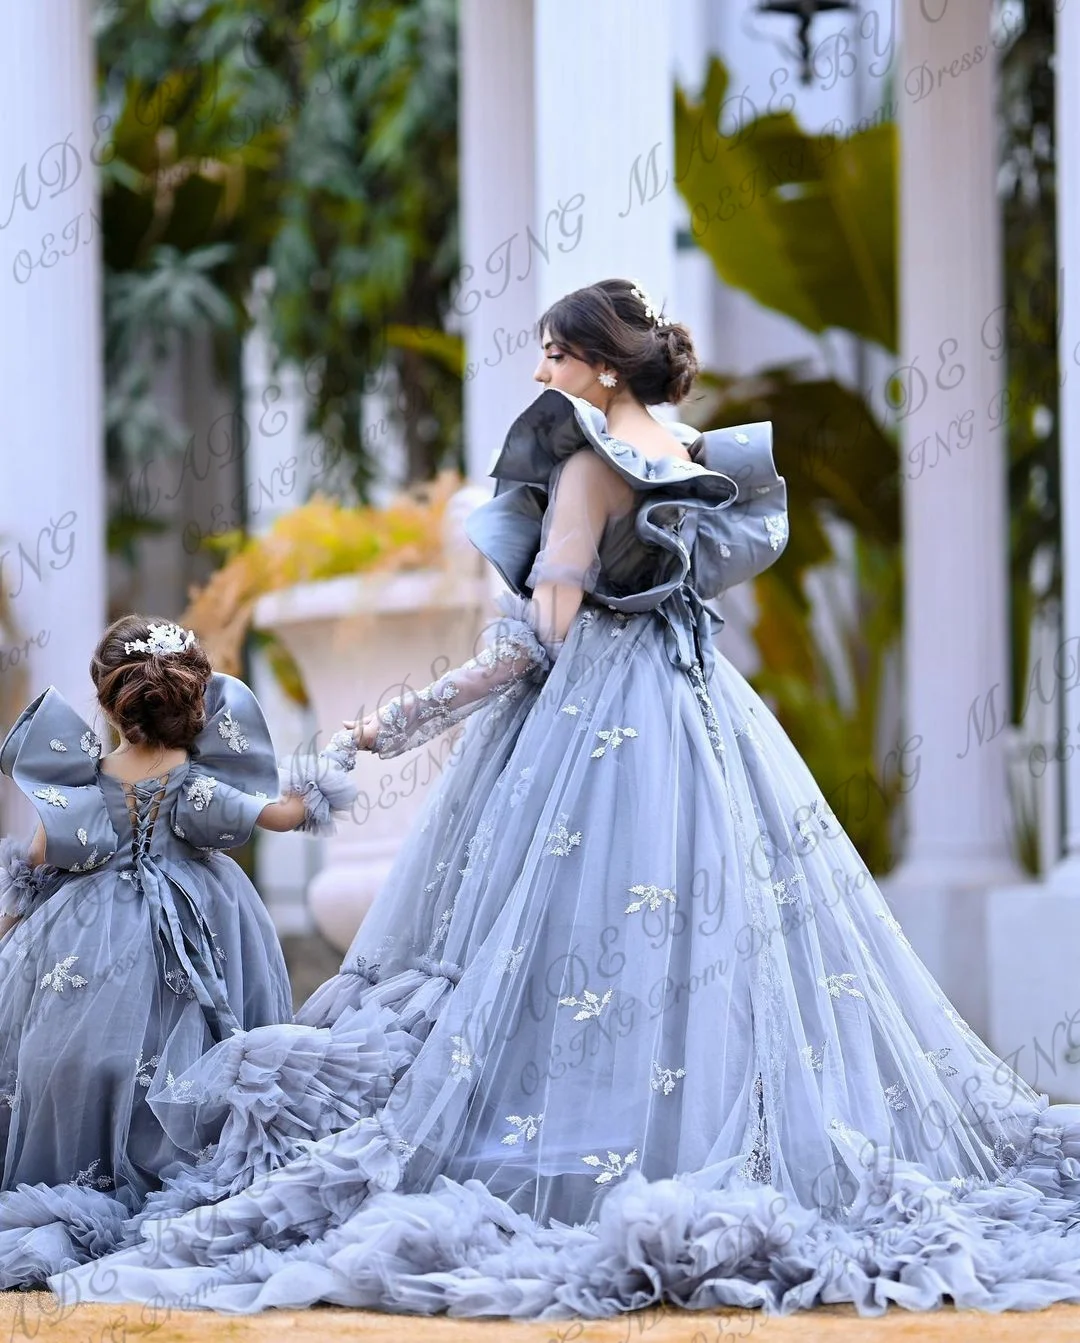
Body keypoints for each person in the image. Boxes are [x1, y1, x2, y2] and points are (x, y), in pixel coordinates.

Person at [53, 281, 1080, 1319]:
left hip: (596, 728)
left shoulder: (589, 465)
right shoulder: (692, 452)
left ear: (599, 363)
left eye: (553, 353)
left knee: (558, 947)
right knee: (709, 947)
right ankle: (702, 1136)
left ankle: (586, 1154)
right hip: (704, 718)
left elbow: (535, 642)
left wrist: (385, 724)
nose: (541, 371)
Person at [0, 614, 359, 1287]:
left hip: (83, 933)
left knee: (69, 1054)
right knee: (189, 1054)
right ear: (195, 700)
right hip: (202, 923)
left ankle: (86, 1175)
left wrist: (9, 926)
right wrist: (335, 762)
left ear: (106, 702)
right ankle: (169, 1174)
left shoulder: (85, 782)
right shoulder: (197, 783)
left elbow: (38, 863)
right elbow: (281, 813)